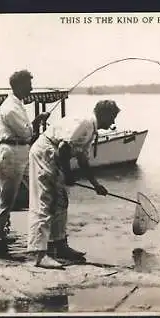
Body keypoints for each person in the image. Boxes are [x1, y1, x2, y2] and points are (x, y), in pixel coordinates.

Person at [27, 100, 120, 268]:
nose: (113, 122)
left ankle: (60, 246)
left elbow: (82, 158)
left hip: (54, 155)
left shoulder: (91, 128)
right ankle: (39, 255)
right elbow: (63, 148)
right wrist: (68, 174)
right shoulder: (85, 123)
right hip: (45, 153)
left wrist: (95, 184)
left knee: (62, 201)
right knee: (47, 201)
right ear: (104, 114)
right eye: (112, 117)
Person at [0, 70, 50, 240]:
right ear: (19, 86)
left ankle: (43, 230)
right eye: (28, 85)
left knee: (39, 186)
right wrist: (37, 121)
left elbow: (26, 133)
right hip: (11, 153)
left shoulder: (18, 103)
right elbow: (25, 133)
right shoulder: (10, 107)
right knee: (7, 196)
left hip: (22, 151)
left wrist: (35, 121)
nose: (31, 88)